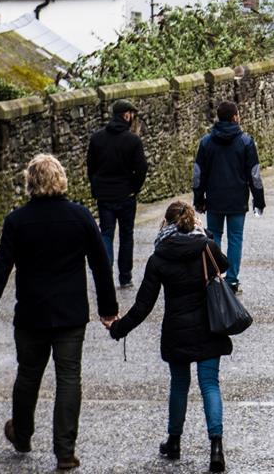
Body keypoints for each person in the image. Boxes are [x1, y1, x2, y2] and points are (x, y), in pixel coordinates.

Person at [0, 153, 118, 472]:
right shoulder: (80, 217)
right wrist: (107, 310)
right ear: (61, 179)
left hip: (31, 313)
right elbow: (99, 265)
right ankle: (65, 451)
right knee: (69, 378)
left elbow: (0, 270)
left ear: (30, 183)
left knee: (28, 375)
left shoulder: (17, 221)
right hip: (70, 314)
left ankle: (22, 434)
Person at [108, 200, 234, 472]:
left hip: (177, 330)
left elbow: (143, 305)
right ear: (192, 221)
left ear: (165, 223)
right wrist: (206, 235)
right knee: (209, 384)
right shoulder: (206, 247)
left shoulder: (159, 257)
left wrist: (119, 328)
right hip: (209, 327)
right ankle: (216, 448)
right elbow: (224, 265)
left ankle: (174, 441)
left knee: (179, 384)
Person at [192, 100, 264, 292]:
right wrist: (259, 200)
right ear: (235, 117)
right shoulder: (246, 142)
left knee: (213, 237)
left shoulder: (206, 142)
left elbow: (198, 174)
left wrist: (199, 198)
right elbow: (254, 174)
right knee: (235, 238)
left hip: (214, 198)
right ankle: (231, 280)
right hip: (237, 199)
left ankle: (214, 276)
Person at [86, 98, 149, 288]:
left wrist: (96, 187)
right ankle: (125, 276)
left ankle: (105, 274)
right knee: (126, 235)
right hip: (126, 195)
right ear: (126, 115)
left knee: (106, 233)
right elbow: (142, 168)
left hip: (104, 195)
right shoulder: (132, 140)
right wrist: (134, 188)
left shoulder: (97, 138)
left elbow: (91, 167)